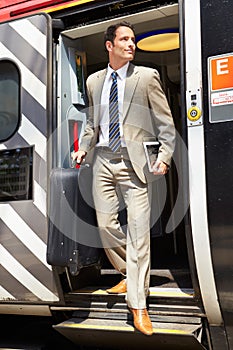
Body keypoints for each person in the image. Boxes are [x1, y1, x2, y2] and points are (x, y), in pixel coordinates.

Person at [72, 21, 176, 335]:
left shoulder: (146, 77)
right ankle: (128, 273)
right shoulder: (93, 81)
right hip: (103, 160)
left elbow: (165, 123)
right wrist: (84, 148)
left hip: (135, 164)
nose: (132, 44)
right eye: (125, 40)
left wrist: (164, 156)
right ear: (109, 45)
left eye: (133, 40)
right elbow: (93, 122)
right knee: (105, 226)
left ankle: (139, 306)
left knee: (139, 234)